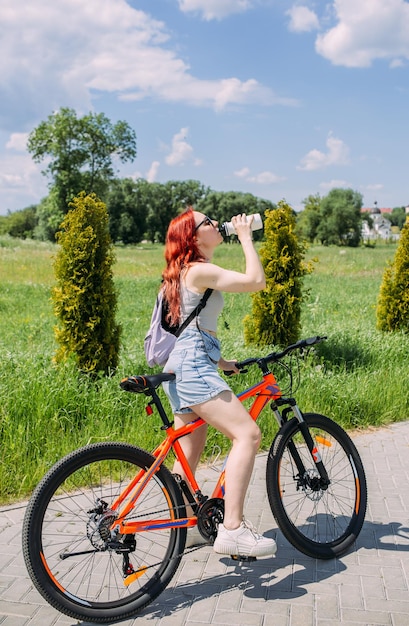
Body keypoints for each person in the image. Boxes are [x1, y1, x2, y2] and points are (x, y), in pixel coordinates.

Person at [161, 208, 277, 559]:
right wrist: (246, 237)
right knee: (248, 435)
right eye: (207, 222)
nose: (216, 223)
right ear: (193, 237)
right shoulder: (199, 270)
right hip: (193, 367)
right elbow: (256, 282)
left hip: (183, 366)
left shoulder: (184, 272)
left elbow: (191, 328)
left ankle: (188, 529)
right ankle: (233, 529)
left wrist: (221, 361)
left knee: (189, 456)